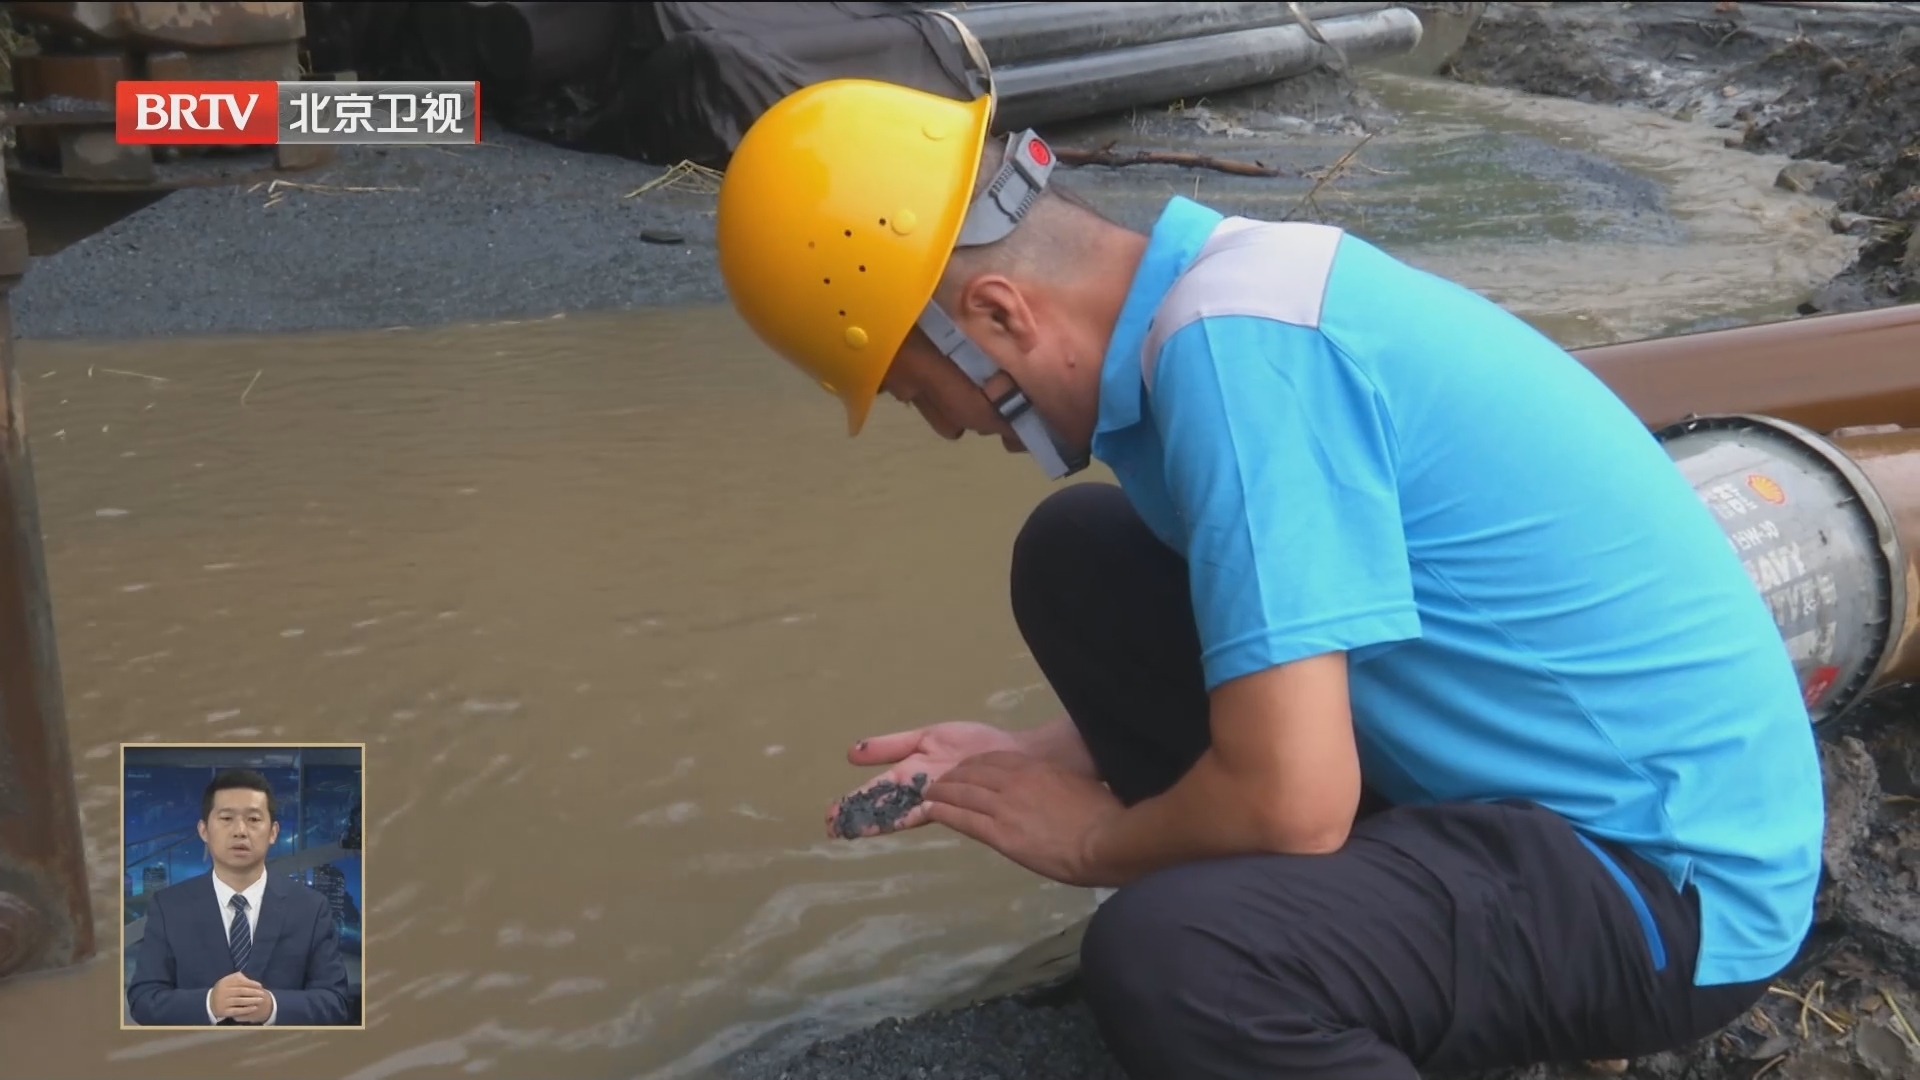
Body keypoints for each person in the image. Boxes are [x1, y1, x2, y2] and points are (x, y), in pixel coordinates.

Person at [714, 78, 1827, 1079]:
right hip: (1534, 797)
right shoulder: (1225, 302)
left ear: (998, 314)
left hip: (1666, 887)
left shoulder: (1242, 364)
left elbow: (1294, 804)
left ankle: (1290, 959)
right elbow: (1304, 628)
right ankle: (1327, 936)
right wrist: (1048, 756)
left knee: (1173, 960)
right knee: (1080, 556)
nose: (948, 429)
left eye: (919, 393)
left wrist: (1088, 843)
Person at [127, 769, 352, 1027]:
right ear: (203, 830)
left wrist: (272, 1008)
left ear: (273, 832)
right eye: (226, 818)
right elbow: (143, 1000)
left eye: (253, 819)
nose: (240, 831)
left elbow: (335, 1002)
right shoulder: (170, 907)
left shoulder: (310, 908)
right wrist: (209, 1004)